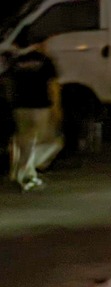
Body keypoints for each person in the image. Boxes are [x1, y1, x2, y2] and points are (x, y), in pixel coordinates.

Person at [7, 37, 62, 190]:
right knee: (48, 141)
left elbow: (9, 84)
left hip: (20, 107)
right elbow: (53, 85)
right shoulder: (45, 60)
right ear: (38, 44)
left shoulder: (16, 61)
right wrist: (56, 108)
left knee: (24, 141)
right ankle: (27, 174)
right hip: (40, 106)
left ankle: (21, 171)